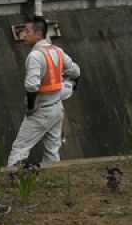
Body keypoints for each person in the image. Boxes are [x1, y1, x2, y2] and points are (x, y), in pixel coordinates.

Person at [6, 16, 80, 168]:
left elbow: (32, 86)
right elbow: (76, 71)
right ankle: (53, 183)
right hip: (57, 109)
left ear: (38, 34)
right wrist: (72, 86)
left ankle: (13, 184)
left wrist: (31, 106)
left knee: (19, 150)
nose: (23, 35)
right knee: (52, 152)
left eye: (27, 31)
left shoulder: (35, 56)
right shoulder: (57, 51)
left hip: (41, 111)